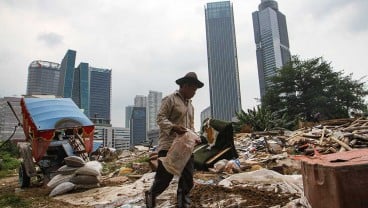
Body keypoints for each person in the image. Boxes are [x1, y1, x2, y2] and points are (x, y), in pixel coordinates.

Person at [145, 72, 204, 208]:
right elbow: (160, 118)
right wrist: (173, 127)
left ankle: (183, 204)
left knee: (188, 178)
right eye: (193, 89)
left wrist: (195, 137)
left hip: (185, 147)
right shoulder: (170, 99)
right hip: (169, 146)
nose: (194, 92)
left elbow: (190, 126)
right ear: (184, 86)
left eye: (196, 90)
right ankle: (151, 196)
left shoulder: (191, 106)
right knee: (164, 179)